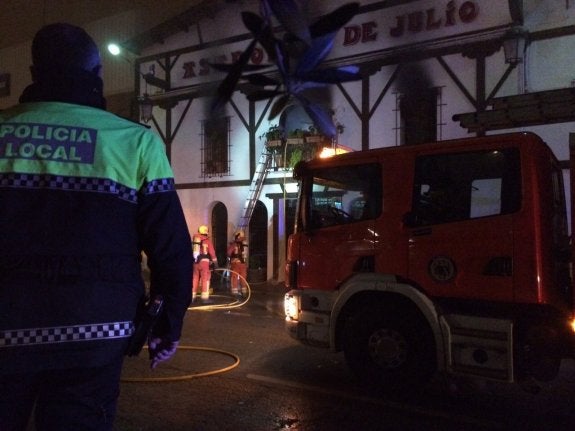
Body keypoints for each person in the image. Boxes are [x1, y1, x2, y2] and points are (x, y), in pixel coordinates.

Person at [0, 23, 192, 431]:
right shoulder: (135, 143)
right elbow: (171, 250)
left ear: (35, 73)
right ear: (97, 73)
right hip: (97, 332)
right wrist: (167, 326)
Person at [192, 225, 218, 302]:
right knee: (205, 279)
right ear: (206, 232)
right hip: (204, 264)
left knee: (195, 279)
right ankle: (205, 298)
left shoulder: (195, 240)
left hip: (195, 263)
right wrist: (216, 264)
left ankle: (192, 297)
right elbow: (212, 253)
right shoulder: (208, 241)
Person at [226, 230, 248, 296]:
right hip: (243, 263)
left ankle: (234, 292)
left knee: (234, 277)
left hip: (235, 263)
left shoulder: (234, 244)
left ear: (237, 235)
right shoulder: (245, 243)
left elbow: (228, 253)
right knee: (243, 277)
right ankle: (244, 291)